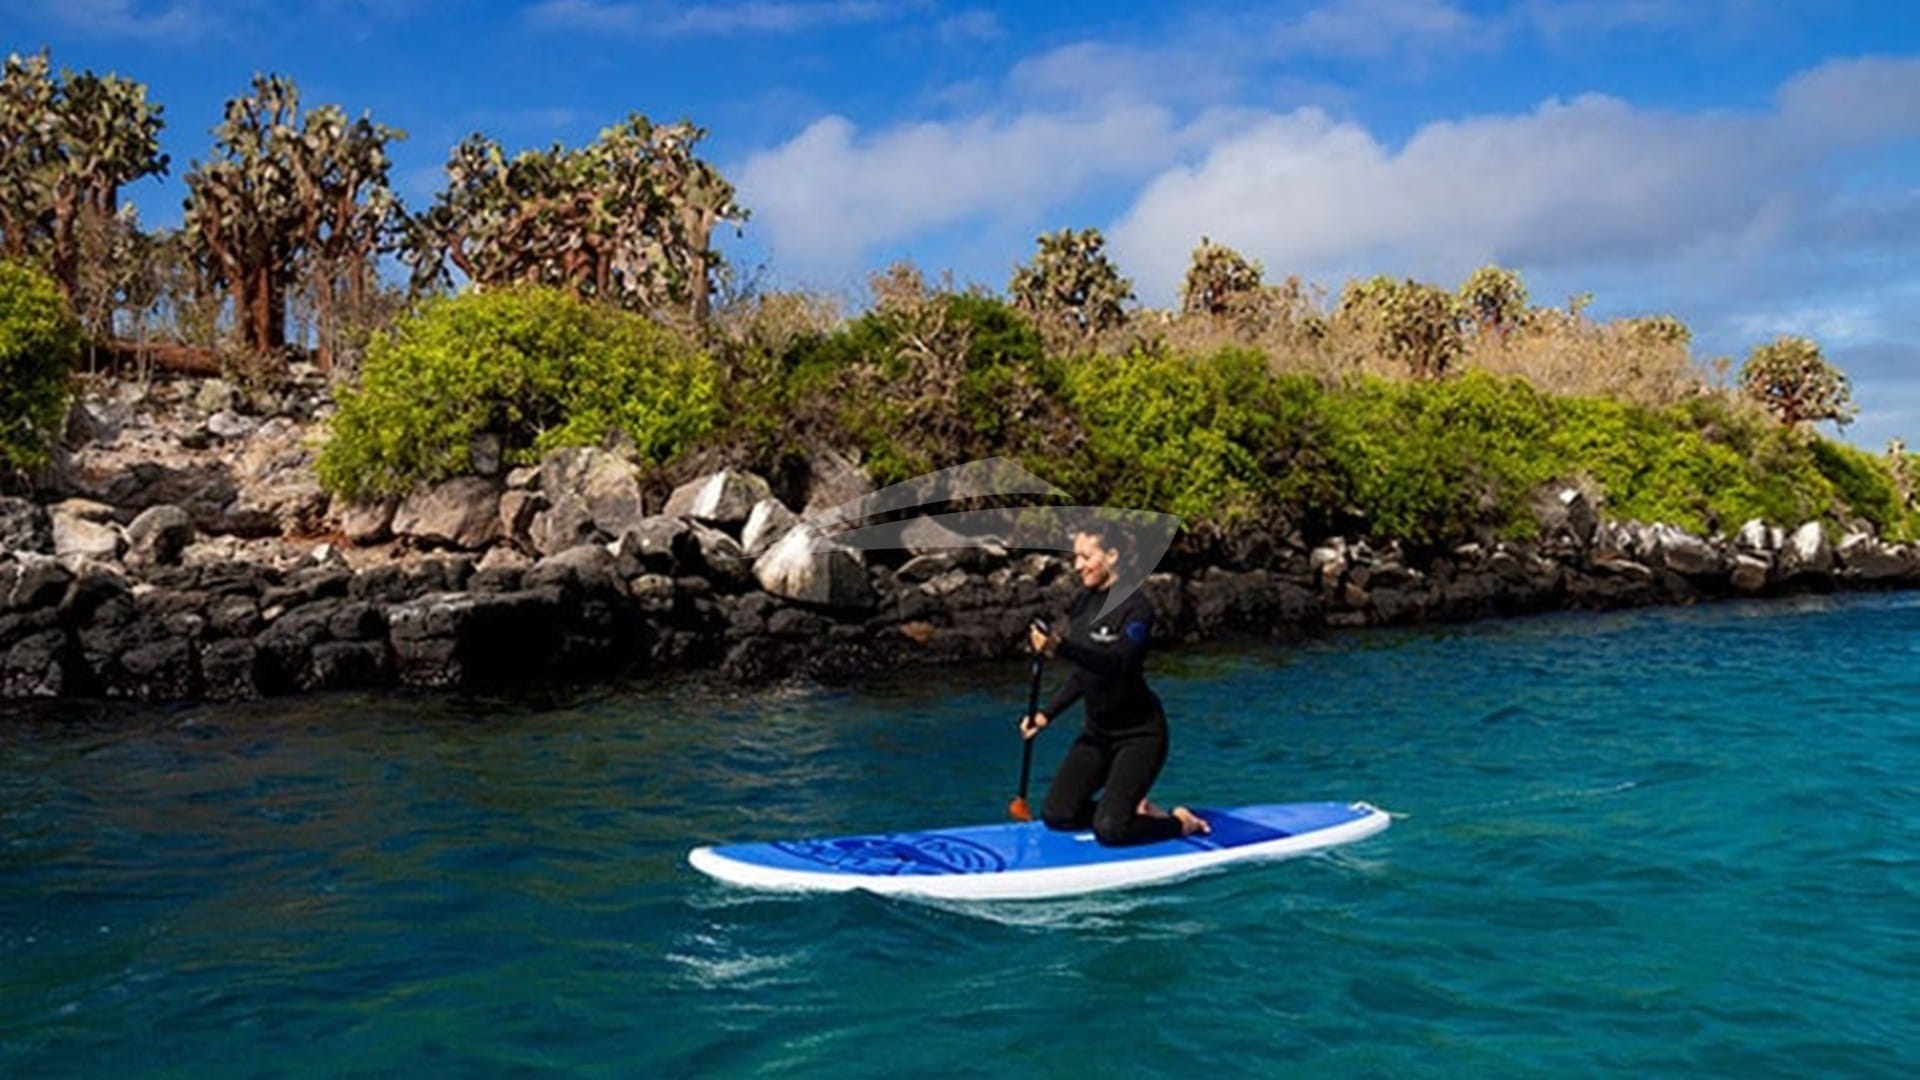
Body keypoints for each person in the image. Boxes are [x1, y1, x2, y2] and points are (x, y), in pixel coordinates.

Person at [1019, 526, 1210, 845]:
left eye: (1085, 556)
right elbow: (1085, 672)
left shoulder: (1137, 610)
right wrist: (1046, 715)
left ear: (1111, 556)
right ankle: (1129, 812)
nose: (1078, 566)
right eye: (1075, 557)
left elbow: (1117, 665)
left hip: (1139, 736)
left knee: (1111, 831)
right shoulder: (1084, 602)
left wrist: (1059, 647)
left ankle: (1180, 823)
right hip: (1098, 734)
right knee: (1058, 814)